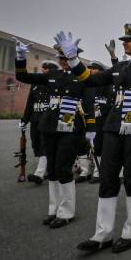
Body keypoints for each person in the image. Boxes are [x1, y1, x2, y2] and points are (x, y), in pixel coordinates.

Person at [61, 24, 131, 253]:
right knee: (108, 176)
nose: (124, 43)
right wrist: (73, 60)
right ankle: (103, 233)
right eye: (124, 40)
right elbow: (90, 79)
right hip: (114, 125)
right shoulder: (119, 67)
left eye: (128, 40)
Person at [13, 37, 95, 228]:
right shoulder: (53, 75)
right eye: (60, 57)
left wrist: (91, 129)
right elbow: (23, 77)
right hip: (49, 125)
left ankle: (66, 211)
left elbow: (89, 104)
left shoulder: (83, 75)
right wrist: (20, 57)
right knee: (52, 169)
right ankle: (54, 209)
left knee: (63, 168)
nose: (62, 60)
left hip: (70, 126)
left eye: (65, 57)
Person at [21, 60, 60, 185]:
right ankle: (49, 169)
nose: (43, 70)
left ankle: (39, 174)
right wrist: (24, 119)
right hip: (35, 118)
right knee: (36, 145)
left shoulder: (55, 83)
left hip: (48, 119)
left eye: (47, 68)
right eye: (43, 68)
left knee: (44, 146)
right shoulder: (35, 84)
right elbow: (30, 103)